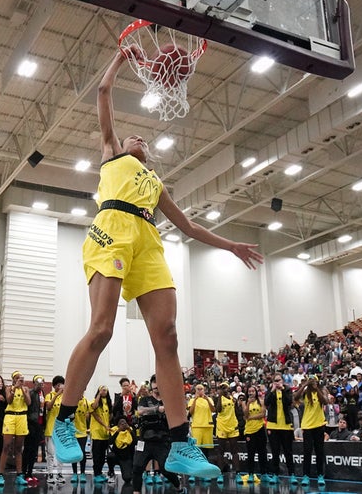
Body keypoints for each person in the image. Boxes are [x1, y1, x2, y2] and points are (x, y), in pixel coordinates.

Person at [51, 45, 263, 482]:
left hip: (147, 241)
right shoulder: (112, 154)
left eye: (144, 141)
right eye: (135, 138)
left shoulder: (154, 183)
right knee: (102, 329)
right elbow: (104, 92)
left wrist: (230, 246)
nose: (140, 141)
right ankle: (64, 420)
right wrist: (120, 58)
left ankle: (181, 444)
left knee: (167, 336)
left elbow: (188, 226)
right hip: (111, 228)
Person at [131, 376, 180, 493]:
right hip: (145, 440)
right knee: (137, 467)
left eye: (158, 382)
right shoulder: (145, 399)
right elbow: (141, 411)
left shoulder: (168, 400)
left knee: (165, 469)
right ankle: (136, 492)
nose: (156, 385)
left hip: (162, 440)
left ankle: (179, 487)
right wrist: (158, 409)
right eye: (154, 382)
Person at [0, 371, 30, 486]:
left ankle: (19, 475)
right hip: (10, 416)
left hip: (22, 417)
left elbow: (28, 402)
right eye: (17, 378)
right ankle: (0, 475)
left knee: (18, 448)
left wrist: (23, 390)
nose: (19, 380)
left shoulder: (25, 389)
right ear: (13, 380)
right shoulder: (9, 388)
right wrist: (15, 388)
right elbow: (9, 400)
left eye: (21, 378)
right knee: (6, 446)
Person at [294, 377, 328, 487]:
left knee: (319, 452)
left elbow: (325, 402)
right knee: (307, 452)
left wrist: (316, 388)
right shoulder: (305, 393)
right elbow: (295, 397)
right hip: (307, 426)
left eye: (314, 381)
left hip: (319, 425)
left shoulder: (321, 391)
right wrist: (304, 385)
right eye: (311, 381)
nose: (313, 383)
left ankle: (320, 475)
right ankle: (306, 476)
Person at [265, 374, 297, 483]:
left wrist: (282, 389)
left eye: (279, 380)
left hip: (286, 426)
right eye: (275, 380)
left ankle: (292, 474)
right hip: (273, 425)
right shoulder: (270, 390)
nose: (277, 382)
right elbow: (266, 402)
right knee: (275, 451)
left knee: (288, 451)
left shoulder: (287, 390)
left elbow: (289, 402)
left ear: (282, 380)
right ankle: (275, 474)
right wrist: (272, 390)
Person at [213, 381, 241, 483]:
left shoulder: (233, 399)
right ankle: (220, 473)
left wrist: (236, 402)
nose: (224, 389)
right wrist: (220, 396)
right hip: (222, 427)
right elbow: (218, 410)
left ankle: (237, 473)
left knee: (235, 450)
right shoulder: (217, 398)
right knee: (221, 451)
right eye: (222, 388)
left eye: (225, 387)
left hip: (232, 426)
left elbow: (237, 412)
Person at [241, 385, 268, 484]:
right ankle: (251, 474)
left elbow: (263, 414)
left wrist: (251, 417)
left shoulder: (261, 401)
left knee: (262, 452)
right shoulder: (244, 402)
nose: (251, 393)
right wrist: (248, 403)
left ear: (256, 392)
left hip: (260, 429)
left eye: (253, 391)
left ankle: (264, 474)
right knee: (251, 453)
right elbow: (245, 414)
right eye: (250, 391)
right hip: (249, 431)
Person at [21, 375, 45, 486]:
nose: (40, 385)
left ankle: (30, 472)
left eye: (42, 383)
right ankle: (24, 472)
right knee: (28, 449)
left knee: (34, 450)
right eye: (38, 383)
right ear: (34, 383)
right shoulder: (31, 392)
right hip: (31, 423)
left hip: (39, 424)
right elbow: (29, 406)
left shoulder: (42, 394)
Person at [89, 385, 114, 483]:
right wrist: (98, 395)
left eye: (106, 390)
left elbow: (109, 415)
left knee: (103, 456)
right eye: (103, 390)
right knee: (97, 454)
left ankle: (100, 472)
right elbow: (94, 409)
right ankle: (96, 473)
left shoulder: (107, 403)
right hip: (97, 432)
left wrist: (108, 425)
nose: (104, 392)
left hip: (105, 433)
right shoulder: (94, 401)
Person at [43, 375, 65, 484]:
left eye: (62, 384)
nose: (60, 386)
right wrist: (57, 395)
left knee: (61, 453)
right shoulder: (49, 395)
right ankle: (50, 474)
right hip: (51, 428)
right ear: (55, 386)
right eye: (58, 385)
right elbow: (48, 407)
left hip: (61, 428)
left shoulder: (65, 397)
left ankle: (60, 474)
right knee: (50, 453)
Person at [69, 389, 91, 483]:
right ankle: (74, 473)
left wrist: (89, 427)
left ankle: (82, 473)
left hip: (82, 432)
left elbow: (90, 415)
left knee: (82, 452)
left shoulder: (86, 402)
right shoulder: (72, 402)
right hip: (73, 432)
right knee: (74, 453)